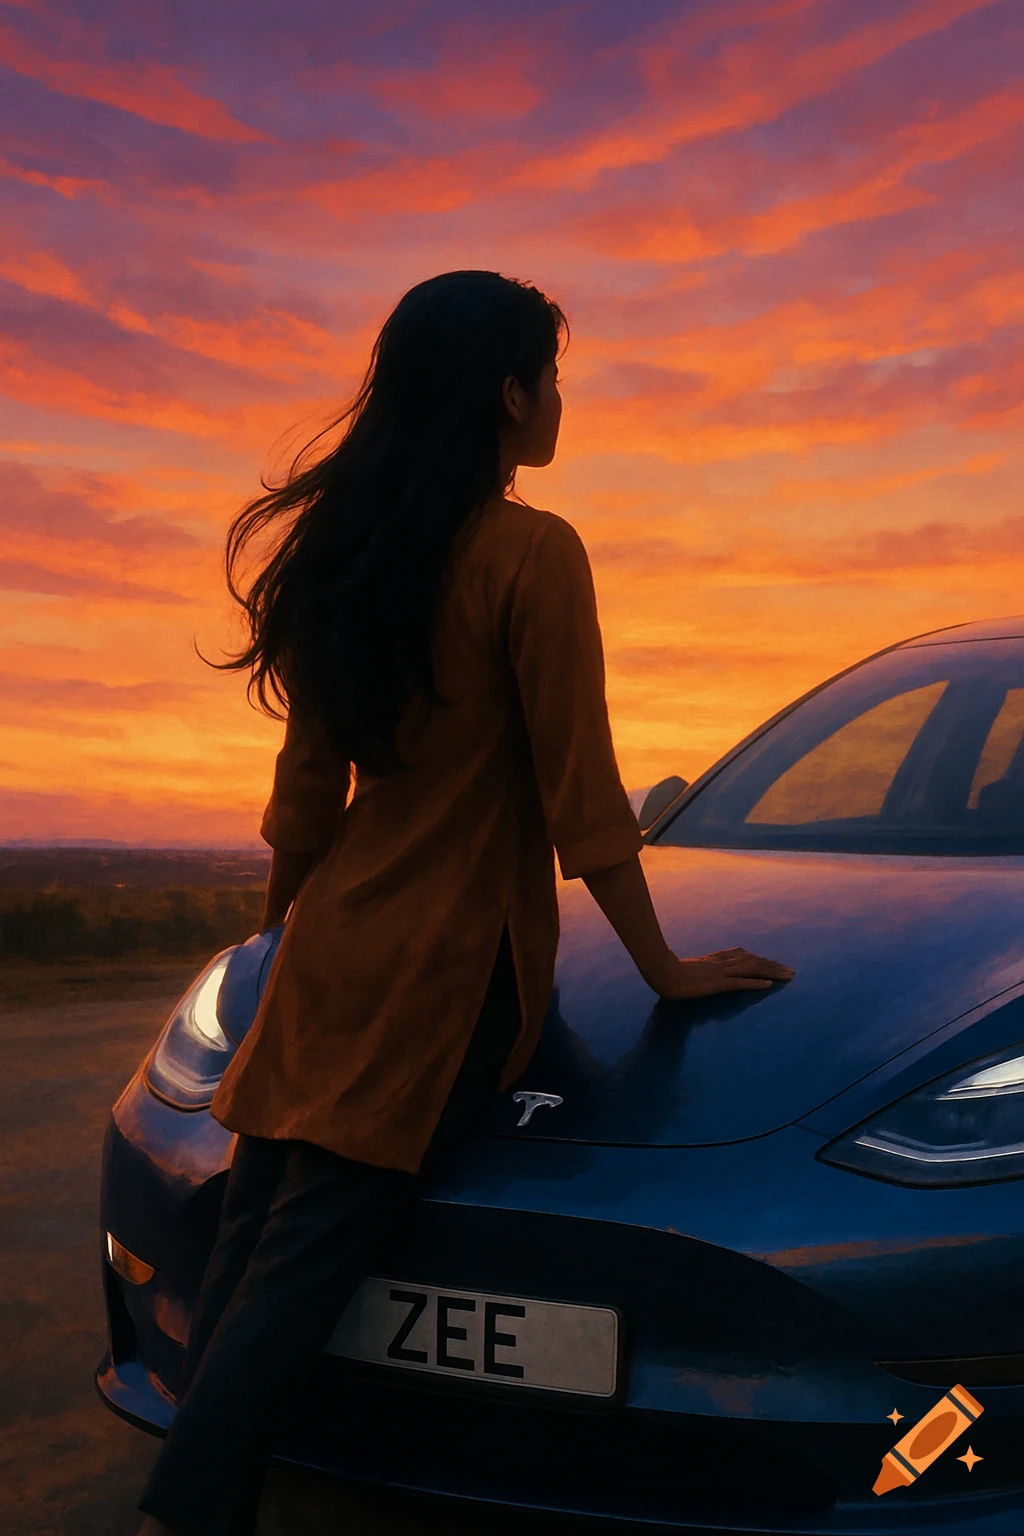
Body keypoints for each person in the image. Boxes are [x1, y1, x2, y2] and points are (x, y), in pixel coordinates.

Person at [136, 269, 793, 1536]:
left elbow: (303, 795)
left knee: (255, 1240)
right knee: (299, 1263)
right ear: (508, 394)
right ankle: (182, 1517)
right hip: (442, 973)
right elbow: (582, 797)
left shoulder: (353, 550)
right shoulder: (531, 554)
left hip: (331, 946)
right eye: (551, 378)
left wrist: (280, 945)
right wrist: (662, 968)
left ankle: (186, 1492)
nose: (559, 402)